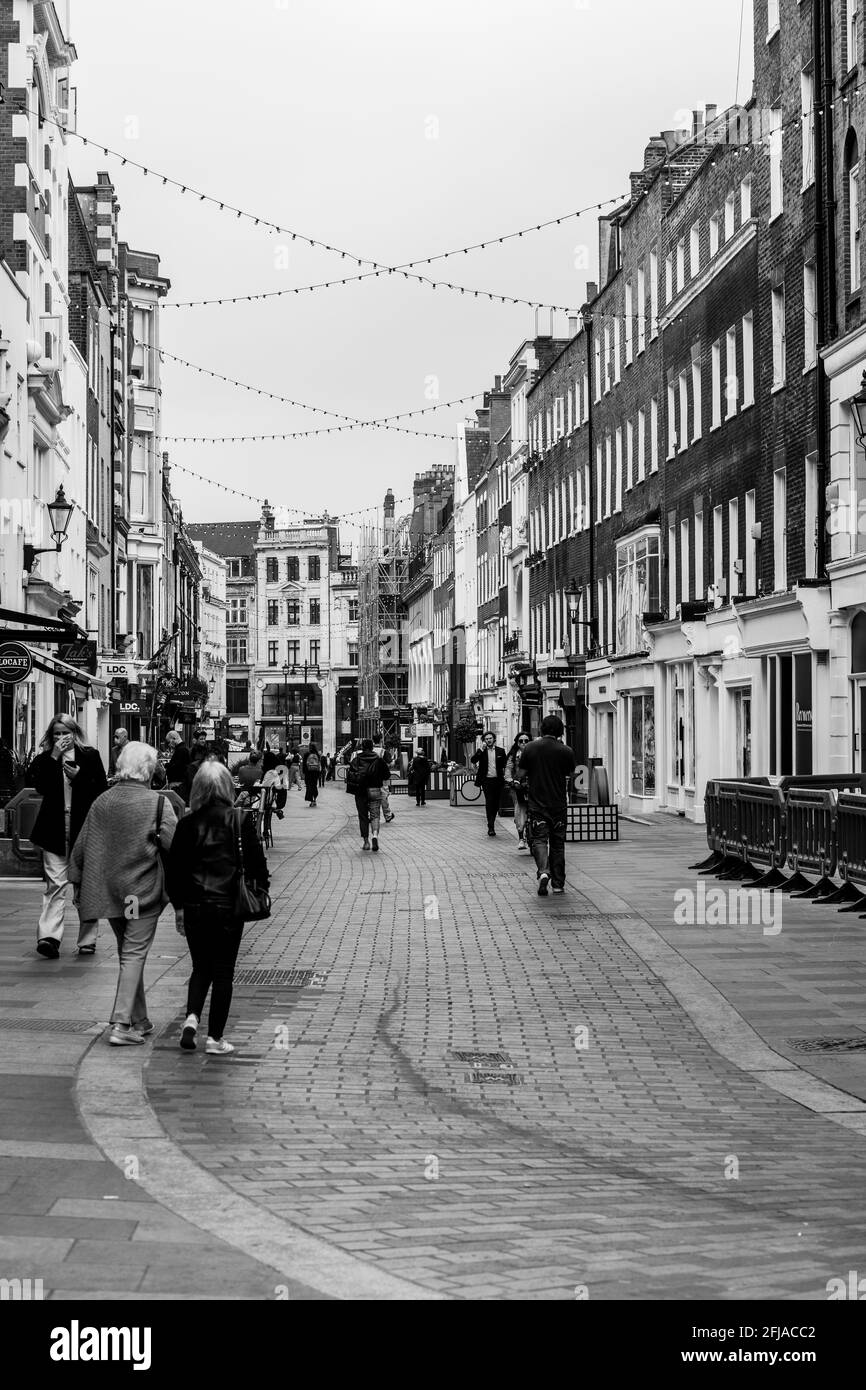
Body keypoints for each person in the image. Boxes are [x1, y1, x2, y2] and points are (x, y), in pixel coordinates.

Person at [68, 742, 177, 1044]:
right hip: (140, 893)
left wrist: (77, 884)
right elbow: (175, 845)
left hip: (112, 893)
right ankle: (121, 1025)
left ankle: (139, 1020)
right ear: (148, 769)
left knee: (129, 953)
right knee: (133, 953)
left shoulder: (103, 801)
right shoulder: (156, 803)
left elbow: (80, 847)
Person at [166, 760, 269, 1055]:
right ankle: (215, 1038)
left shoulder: (187, 823)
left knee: (200, 968)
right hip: (228, 907)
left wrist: (179, 907)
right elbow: (258, 866)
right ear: (226, 787)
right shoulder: (239, 819)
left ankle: (191, 1019)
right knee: (223, 972)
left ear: (197, 788)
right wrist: (260, 890)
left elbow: (174, 870)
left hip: (195, 906)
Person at [28, 714, 108, 958]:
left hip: (84, 828)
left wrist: (79, 778)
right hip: (54, 827)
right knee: (55, 885)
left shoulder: (90, 756)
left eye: (65, 733)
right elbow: (40, 785)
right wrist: (53, 757)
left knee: (85, 886)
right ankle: (49, 938)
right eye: (56, 734)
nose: (61, 738)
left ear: (75, 733)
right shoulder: (44, 759)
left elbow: (101, 791)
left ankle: (87, 940)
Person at [519, 714, 577, 896]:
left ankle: (544, 872)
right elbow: (571, 773)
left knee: (539, 840)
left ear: (542, 729)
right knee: (558, 844)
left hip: (537, 804)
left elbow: (520, 774)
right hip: (559, 804)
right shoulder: (566, 751)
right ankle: (558, 884)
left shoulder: (530, 748)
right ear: (560, 730)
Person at [347, 737, 390, 851]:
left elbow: (350, 776)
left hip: (360, 792)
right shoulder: (379, 759)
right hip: (375, 790)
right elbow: (387, 775)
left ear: (362, 748)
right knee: (375, 815)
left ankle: (366, 842)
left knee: (363, 817)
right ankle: (375, 835)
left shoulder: (356, 760)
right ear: (372, 748)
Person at [471, 731, 507, 837]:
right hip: (486, 781)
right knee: (489, 802)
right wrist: (480, 750)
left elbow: (505, 765)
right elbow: (473, 760)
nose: (488, 740)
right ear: (484, 741)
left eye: (490, 738)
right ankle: (491, 826)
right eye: (486, 739)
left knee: (496, 804)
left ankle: (492, 821)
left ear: (494, 739)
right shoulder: (482, 751)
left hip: (498, 781)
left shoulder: (501, 751)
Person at [504, 732, 531, 850]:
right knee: (519, 811)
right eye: (521, 741)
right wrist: (511, 781)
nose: (524, 743)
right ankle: (521, 838)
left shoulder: (535, 753)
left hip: (533, 786)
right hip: (518, 787)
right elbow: (508, 769)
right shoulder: (513, 755)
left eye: (526, 740)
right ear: (517, 742)